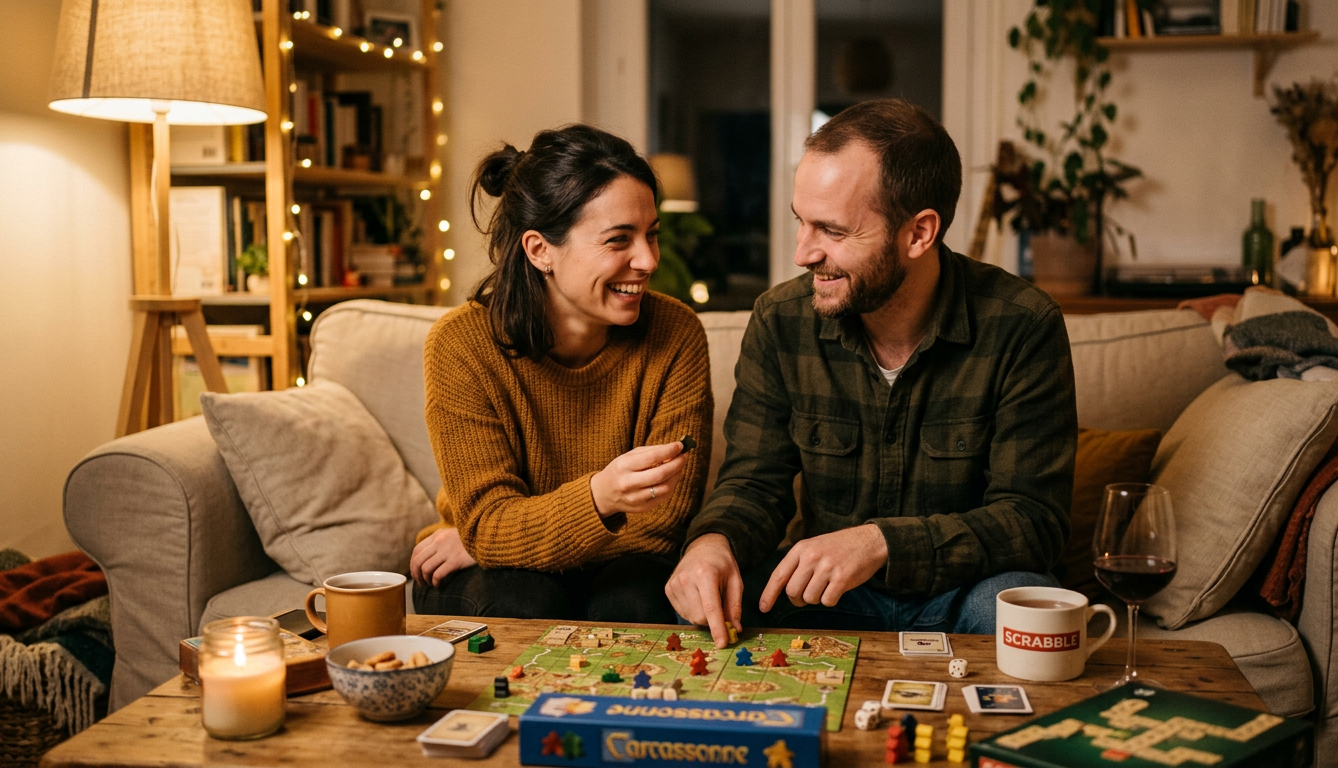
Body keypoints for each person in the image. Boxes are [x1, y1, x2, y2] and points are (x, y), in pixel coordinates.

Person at [666, 100, 1076, 646]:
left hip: (963, 590)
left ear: (918, 234)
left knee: (1021, 607)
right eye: (800, 222)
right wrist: (712, 542)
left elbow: (1034, 523)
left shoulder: (1023, 324)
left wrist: (881, 543)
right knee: (708, 603)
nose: (802, 253)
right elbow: (754, 483)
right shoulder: (781, 320)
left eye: (832, 231)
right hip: (826, 596)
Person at [409, 124, 713, 623]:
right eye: (619, 240)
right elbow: (488, 523)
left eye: (651, 235)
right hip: (493, 579)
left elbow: (663, 523)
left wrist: (501, 539)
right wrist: (601, 499)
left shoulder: (676, 334)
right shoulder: (462, 345)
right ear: (539, 250)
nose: (648, 260)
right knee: (528, 603)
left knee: (631, 602)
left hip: (617, 566)